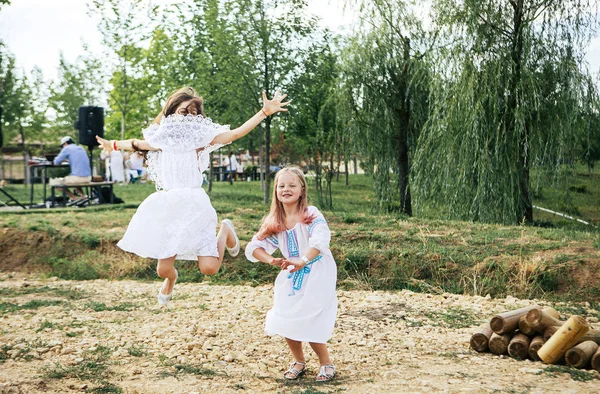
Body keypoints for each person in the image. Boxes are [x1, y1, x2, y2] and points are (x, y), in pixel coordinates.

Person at [96, 87, 289, 305]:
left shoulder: (201, 142)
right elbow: (132, 143)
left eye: (194, 113)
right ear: (171, 113)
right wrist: (111, 145)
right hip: (169, 207)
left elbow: (235, 133)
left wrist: (264, 112)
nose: (189, 117)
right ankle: (172, 280)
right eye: (183, 111)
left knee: (209, 268)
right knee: (163, 270)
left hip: (195, 206)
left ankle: (225, 230)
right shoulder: (160, 140)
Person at [245, 166, 337, 382]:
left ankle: (326, 362)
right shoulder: (274, 221)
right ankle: (299, 361)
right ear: (276, 190)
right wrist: (271, 259)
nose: (286, 189)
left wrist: (302, 260)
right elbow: (254, 246)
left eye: (292, 185)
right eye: (281, 185)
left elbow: (321, 241)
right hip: (290, 271)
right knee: (286, 314)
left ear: (302, 189)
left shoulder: (310, 214)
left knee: (311, 315)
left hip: (316, 269)